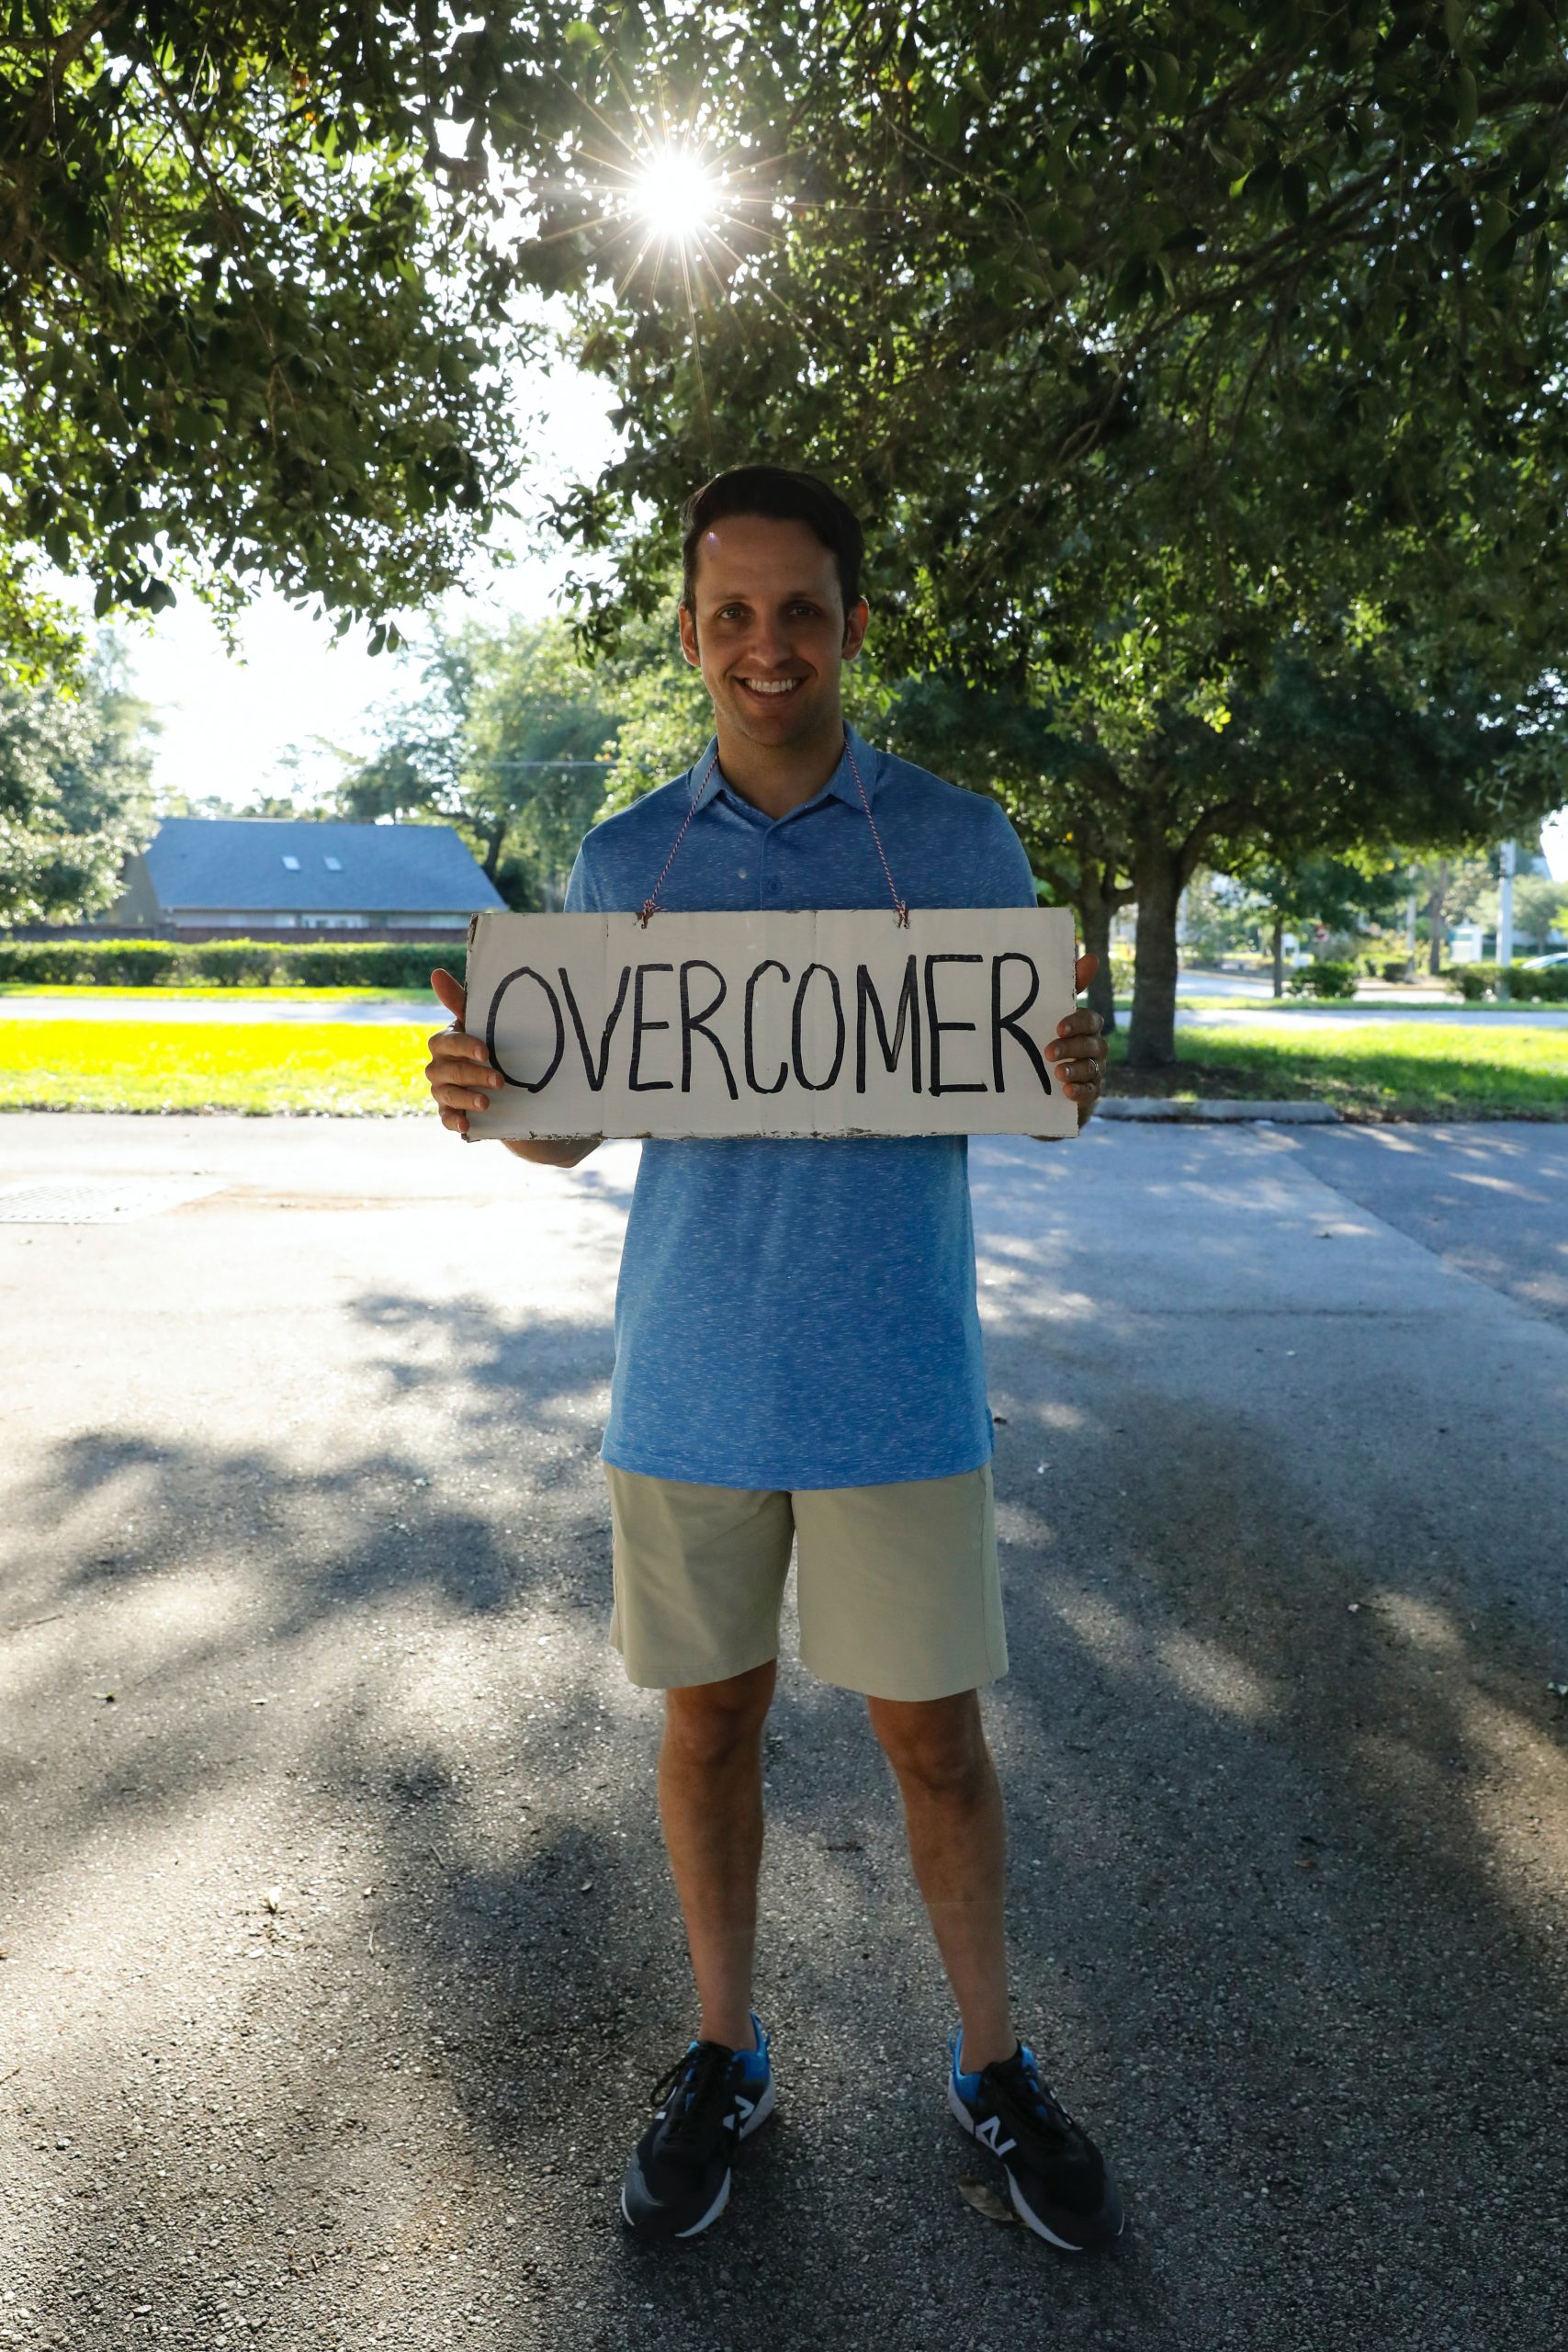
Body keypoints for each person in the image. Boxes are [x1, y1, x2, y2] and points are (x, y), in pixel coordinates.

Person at [423, 465, 1120, 2253]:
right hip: (692, 1382)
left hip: (897, 1381)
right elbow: (567, 1135)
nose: (764, 643)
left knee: (936, 1746)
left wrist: (1065, 1070)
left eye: (797, 607)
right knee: (706, 1721)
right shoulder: (620, 860)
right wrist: (500, 1103)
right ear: (686, 632)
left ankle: (990, 2065)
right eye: (728, 612)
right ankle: (722, 2049)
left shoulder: (961, 846)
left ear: (852, 623)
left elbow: (1030, 1093)